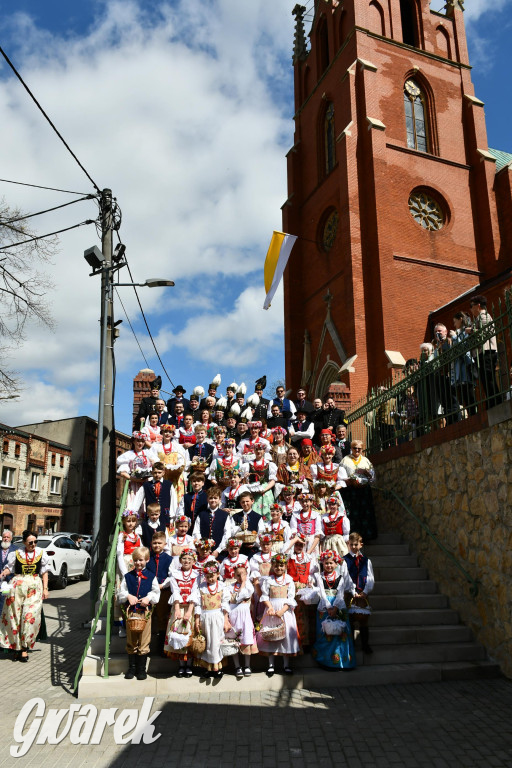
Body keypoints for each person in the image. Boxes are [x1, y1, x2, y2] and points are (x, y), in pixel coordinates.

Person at [0, 530, 49, 661]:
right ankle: (16, 647)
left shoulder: (41, 553)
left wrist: (45, 588)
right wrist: (3, 573)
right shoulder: (16, 553)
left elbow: (44, 572)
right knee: (14, 617)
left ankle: (25, 647)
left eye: (35, 542)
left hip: (34, 586)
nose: (33, 544)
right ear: (24, 542)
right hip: (17, 586)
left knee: (29, 617)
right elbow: (9, 568)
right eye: (30, 542)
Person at [117, 545, 160, 680]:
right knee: (131, 639)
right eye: (136, 560)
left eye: (141, 560)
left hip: (145, 613)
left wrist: (148, 598)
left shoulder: (151, 576)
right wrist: (128, 596)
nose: (138, 563)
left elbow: (155, 592)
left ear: (147, 560)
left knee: (144, 640)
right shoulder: (128, 576)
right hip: (131, 613)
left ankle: (142, 669)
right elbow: (121, 592)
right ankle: (132, 668)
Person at [256, 553, 300, 676]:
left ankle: (286, 665)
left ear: (285, 566)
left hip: (284, 611)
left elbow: (291, 598)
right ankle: (271, 665)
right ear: (273, 566)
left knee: (284, 635)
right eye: (276, 566)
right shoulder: (269, 580)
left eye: (281, 566)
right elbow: (265, 596)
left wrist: (282, 611)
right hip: (271, 611)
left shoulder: (289, 580)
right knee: (271, 635)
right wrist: (269, 607)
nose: (279, 568)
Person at [312, 550, 355, 670]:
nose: (329, 566)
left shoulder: (341, 578)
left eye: (331, 563)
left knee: (340, 633)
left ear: (336, 564)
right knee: (325, 634)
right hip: (325, 607)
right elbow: (322, 593)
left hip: (338, 605)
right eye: (326, 563)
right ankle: (326, 661)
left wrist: (335, 607)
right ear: (322, 564)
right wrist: (328, 607)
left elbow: (340, 594)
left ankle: (342, 662)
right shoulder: (319, 577)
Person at [165, 548, 200, 676]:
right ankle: (181, 665)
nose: (186, 561)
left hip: (190, 608)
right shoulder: (175, 574)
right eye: (184, 558)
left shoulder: (196, 575)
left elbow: (195, 593)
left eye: (189, 559)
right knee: (178, 632)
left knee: (189, 633)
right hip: (178, 606)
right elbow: (175, 592)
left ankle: (189, 664)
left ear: (193, 561)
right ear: (180, 560)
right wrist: (178, 610)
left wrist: (189, 611)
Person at [194, 561, 230, 678]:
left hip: (217, 617)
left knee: (216, 641)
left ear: (218, 574)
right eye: (207, 576)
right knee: (208, 642)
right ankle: (208, 667)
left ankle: (217, 667)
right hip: (205, 617)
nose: (210, 578)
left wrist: (225, 619)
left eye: (212, 576)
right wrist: (197, 620)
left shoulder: (222, 586)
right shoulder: (201, 588)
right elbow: (198, 605)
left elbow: (225, 603)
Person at [223, 562, 258, 679]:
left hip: (244, 617)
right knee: (234, 641)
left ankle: (247, 665)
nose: (240, 577)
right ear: (234, 575)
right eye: (238, 575)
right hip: (233, 616)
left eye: (243, 574)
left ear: (247, 574)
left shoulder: (249, 586)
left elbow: (239, 597)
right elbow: (230, 600)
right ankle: (237, 666)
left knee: (246, 640)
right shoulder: (229, 586)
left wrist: (243, 583)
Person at [343, 532, 375, 654]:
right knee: (350, 620)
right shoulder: (345, 560)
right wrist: (352, 591)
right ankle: (351, 645)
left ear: (361, 545)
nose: (354, 547)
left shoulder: (366, 561)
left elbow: (370, 577)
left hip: (363, 593)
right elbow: (346, 577)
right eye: (351, 545)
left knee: (364, 620)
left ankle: (365, 645)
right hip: (350, 594)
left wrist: (366, 591)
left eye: (356, 544)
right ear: (348, 545)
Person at [469, 295, 502, 408]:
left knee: (489, 378)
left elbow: (485, 332)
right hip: (482, 353)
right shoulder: (478, 318)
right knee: (485, 380)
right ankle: (491, 402)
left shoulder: (484, 316)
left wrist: (471, 331)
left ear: (478, 306)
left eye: (471, 306)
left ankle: (495, 403)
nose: (471, 309)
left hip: (487, 352)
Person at [341, 442, 378, 541]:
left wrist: (366, 473)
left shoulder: (366, 461)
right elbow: (340, 476)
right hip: (351, 492)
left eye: (359, 449)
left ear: (362, 449)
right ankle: (353, 537)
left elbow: (373, 478)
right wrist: (348, 481)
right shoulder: (345, 460)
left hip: (364, 491)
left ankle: (367, 537)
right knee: (352, 514)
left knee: (365, 513)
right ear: (351, 448)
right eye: (354, 448)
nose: (357, 450)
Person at [192, 486, 231, 558]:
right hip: (203, 552)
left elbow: (227, 534)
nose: (213, 500)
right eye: (211, 498)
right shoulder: (201, 514)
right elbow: (196, 532)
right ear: (207, 499)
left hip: (219, 553)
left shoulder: (225, 515)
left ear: (219, 499)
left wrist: (218, 550)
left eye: (215, 498)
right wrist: (203, 547)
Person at [451, 311, 477, 417]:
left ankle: (474, 415)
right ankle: (470, 415)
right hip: (460, 368)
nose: (454, 324)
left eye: (454, 321)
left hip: (466, 366)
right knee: (464, 394)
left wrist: (454, 337)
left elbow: (463, 348)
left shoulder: (465, 330)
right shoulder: (459, 332)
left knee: (469, 392)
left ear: (460, 319)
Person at [245, 443, 277, 522]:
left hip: (266, 491)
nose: (258, 451)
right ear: (254, 451)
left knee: (267, 512)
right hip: (253, 492)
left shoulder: (269, 464)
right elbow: (246, 481)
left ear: (264, 451)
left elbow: (272, 481)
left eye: (260, 449)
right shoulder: (248, 464)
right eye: (256, 449)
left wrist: (264, 489)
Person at [230, 491, 266, 557]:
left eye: (247, 501)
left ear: (252, 501)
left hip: (253, 551)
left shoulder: (258, 517)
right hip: (238, 551)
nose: (245, 504)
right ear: (240, 503)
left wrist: (254, 543)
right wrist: (240, 527)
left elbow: (261, 533)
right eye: (243, 502)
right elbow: (231, 533)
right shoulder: (235, 517)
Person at [0, 530, 16, 616]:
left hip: (8, 581)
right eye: (4, 537)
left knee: (4, 599)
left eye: (8, 537)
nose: (6, 539)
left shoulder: (16, 550)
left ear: (11, 538)